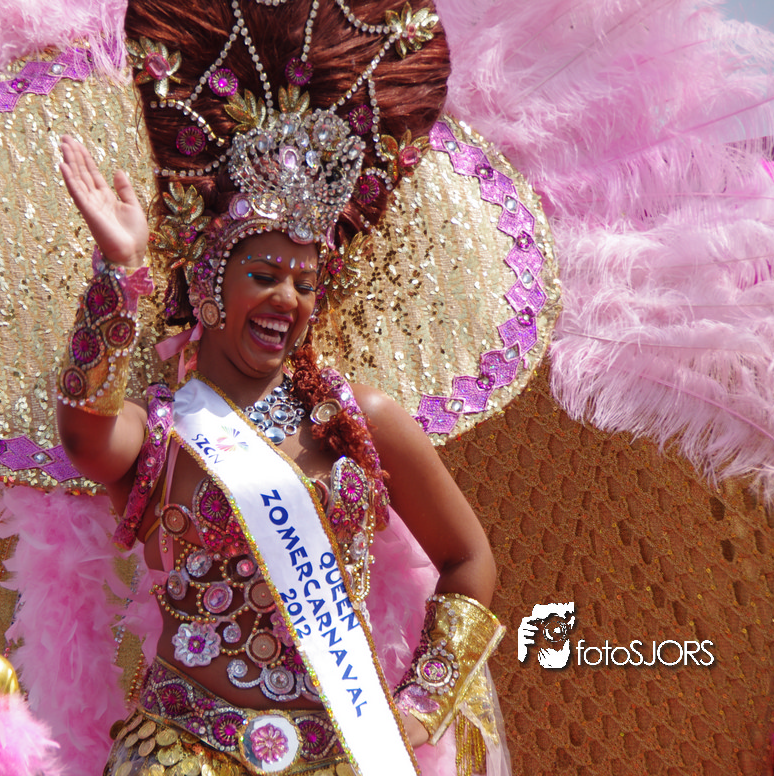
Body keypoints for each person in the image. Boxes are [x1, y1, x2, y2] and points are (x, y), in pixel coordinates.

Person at [53, 2, 507, 773]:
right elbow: (83, 433)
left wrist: (419, 706)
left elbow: (468, 558)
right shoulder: (163, 427)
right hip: (181, 755)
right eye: (264, 275)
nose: (287, 300)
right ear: (208, 287)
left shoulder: (361, 420)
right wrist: (121, 272)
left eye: (304, 282)